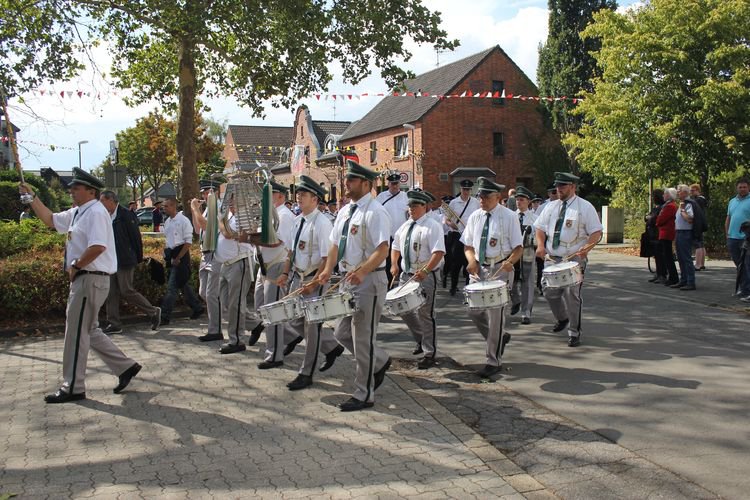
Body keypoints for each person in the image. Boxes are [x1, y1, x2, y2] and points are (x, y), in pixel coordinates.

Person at [20, 168, 142, 403]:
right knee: (89, 330)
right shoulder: (79, 212)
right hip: (88, 279)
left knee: (76, 334)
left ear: (91, 191)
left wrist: (76, 265)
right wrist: (32, 197)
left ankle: (73, 387)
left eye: (76, 188)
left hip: (89, 277)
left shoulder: (95, 212)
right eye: (72, 188)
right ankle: (125, 367)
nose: (71, 191)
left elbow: (98, 246)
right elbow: (50, 220)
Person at [318, 160, 392, 411]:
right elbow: (334, 244)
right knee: (341, 334)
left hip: (369, 280)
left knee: (362, 338)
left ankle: (364, 394)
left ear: (366, 183)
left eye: (351, 180)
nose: (346, 183)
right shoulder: (345, 211)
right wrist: (327, 270)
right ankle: (379, 361)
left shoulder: (375, 211)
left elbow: (383, 249)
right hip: (348, 280)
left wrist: (363, 271)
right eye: (346, 179)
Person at [277, 175, 344, 390]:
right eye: (298, 194)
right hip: (298, 278)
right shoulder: (298, 221)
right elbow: (291, 251)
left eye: (303, 194)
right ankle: (331, 346)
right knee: (294, 319)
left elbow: (327, 258)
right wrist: (285, 273)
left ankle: (306, 373)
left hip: (315, 279)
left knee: (311, 327)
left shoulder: (322, 223)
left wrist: (315, 283)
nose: (299, 197)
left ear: (315, 199)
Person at [461, 177, 523, 378]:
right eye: (480, 196)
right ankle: (499, 338)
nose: (482, 200)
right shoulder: (475, 216)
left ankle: (493, 360)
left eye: (486, 196)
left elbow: (518, 248)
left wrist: (510, 262)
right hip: (479, 269)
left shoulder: (509, 217)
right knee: (473, 311)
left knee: (495, 316)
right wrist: (471, 260)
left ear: (497, 196)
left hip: (500, 269)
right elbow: (468, 245)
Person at [534, 172, 603, 347]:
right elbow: (540, 229)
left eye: (563, 186)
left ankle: (574, 332)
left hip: (573, 259)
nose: (559, 189)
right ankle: (562, 317)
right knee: (548, 291)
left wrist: (586, 249)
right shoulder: (550, 207)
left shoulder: (585, 207)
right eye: (557, 186)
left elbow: (596, 232)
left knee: (572, 295)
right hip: (552, 258)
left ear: (573, 187)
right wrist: (540, 245)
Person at [390, 189, 446, 369]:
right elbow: (395, 246)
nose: (411, 209)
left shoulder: (432, 225)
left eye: (414, 206)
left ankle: (429, 353)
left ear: (424, 206)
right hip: (407, 274)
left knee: (425, 314)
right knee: (402, 308)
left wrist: (426, 270)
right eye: (410, 206)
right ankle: (421, 337)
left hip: (425, 275)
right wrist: (394, 264)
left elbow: (438, 252)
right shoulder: (405, 226)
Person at [99, 191, 161, 334]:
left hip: (125, 259)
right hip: (111, 260)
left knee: (126, 290)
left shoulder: (126, 215)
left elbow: (135, 237)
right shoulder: (105, 216)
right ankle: (114, 323)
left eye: (102, 201)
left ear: (111, 200)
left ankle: (153, 311)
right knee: (111, 292)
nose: (100, 204)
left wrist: (138, 258)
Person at [253, 181, 296, 368]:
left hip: (277, 266)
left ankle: (274, 355)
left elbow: (277, 242)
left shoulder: (284, 215)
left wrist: (250, 238)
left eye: (269, 194)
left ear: (280, 196)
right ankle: (291, 335)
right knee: (260, 308)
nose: (266, 198)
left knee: (272, 312)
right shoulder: (269, 214)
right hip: (263, 266)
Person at [213, 194, 254, 354]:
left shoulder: (244, 216)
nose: (230, 203)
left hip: (239, 262)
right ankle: (256, 324)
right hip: (227, 263)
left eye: (234, 199)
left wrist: (219, 219)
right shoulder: (230, 217)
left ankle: (236, 340)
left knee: (235, 304)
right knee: (225, 303)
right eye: (229, 200)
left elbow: (228, 234)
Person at [159, 198, 204, 324]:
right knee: (183, 284)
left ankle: (164, 316)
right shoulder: (167, 221)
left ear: (173, 206)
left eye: (166, 206)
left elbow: (188, 242)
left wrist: (179, 257)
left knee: (172, 287)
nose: (164, 208)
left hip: (181, 255)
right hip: (171, 254)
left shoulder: (183, 221)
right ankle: (197, 307)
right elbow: (168, 240)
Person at [190, 180, 224, 343]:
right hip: (206, 253)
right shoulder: (207, 209)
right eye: (203, 193)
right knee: (204, 292)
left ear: (216, 192)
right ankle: (252, 322)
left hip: (216, 253)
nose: (204, 196)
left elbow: (206, 226)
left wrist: (195, 209)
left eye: (207, 193)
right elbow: (198, 229)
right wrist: (195, 211)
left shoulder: (218, 208)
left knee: (211, 294)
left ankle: (215, 330)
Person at [445, 180, 480, 295]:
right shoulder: (454, 202)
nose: (466, 191)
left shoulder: (475, 202)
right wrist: (451, 224)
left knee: (469, 262)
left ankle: (468, 288)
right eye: (464, 189)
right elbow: (446, 219)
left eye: (468, 189)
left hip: (471, 236)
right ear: (460, 189)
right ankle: (453, 286)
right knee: (456, 263)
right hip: (458, 235)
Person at [509, 187, 537, 325]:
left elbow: (539, 238)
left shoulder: (535, 219)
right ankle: (516, 301)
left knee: (527, 283)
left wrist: (531, 239)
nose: (519, 202)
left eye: (522, 199)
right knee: (511, 281)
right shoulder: (510, 217)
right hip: (512, 253)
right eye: (517, 199)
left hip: (527, 253)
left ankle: (526, 312)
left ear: (528, 201)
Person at [376, 173, 409, 285]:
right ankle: (388, 286)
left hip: (401, 234)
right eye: (393, 184)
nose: (395, 186)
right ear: (388, 184)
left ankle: (401, 284)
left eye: (397, 183)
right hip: (387, 235)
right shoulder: (381, 197)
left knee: (402, 261)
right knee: (388, 262)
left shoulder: (405, 196)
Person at [726, 178, 750, 299]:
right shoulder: (732, 201)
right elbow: (728, 218)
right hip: (733, 237)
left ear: (748, 187)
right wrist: (727, 234)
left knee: (748, 264)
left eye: (744, 187)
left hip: (747, 238)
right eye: (740, 187)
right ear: (737, 188)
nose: (742, 189)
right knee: (739, 265)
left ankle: (748, 291)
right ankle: (744, 289)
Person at [672, 184, 697, 291]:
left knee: (686, 258)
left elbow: (690, 219)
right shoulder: (682, 203)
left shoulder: (688, 204)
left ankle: (690, 282)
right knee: (680, 258)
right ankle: (683, 280)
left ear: (685, 192)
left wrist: (682, 210)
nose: (677, 192)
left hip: (686, 232)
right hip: (679, 232)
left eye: (679, 190)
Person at [655, 188, 679, 286]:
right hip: (665, 232)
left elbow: (661, 219)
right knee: (666, 255)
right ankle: (671, 276)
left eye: (665, 194)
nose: (663, 196)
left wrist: (657, 221)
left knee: (668, 256)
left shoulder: (670, 206)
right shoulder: (669, 205)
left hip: (666, 233)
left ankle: (673, 277)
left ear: (669, 195)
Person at [644, 190, 664, 282]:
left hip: (657, 234)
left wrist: (650, 218)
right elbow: (647, 217)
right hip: (651, 234)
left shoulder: (661, 208)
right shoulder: (655, 208)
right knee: (656, 255)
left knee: (660, 256)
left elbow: (654, 219)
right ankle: (658, 273)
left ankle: (662, 274)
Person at [690, 184, 708, 270]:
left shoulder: (698, 200)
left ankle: (698, 264)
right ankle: (702, 263)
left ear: (697, 190)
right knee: (701, 243)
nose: (691, 192)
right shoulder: (702, 199)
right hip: (701, 223)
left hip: (698, 223)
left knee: (698, 244)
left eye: (692, 191)